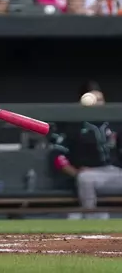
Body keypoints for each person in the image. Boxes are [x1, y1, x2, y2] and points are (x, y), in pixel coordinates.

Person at [50, 81, 122, 220]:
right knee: (85, 178)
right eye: (93, 100)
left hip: (115, 172)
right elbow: (58, 156)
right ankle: (90, 218)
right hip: (91, 173)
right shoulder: (74, 127)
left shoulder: (114, 124)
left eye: (100, 100)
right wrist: (75, 173)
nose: (98, 104)